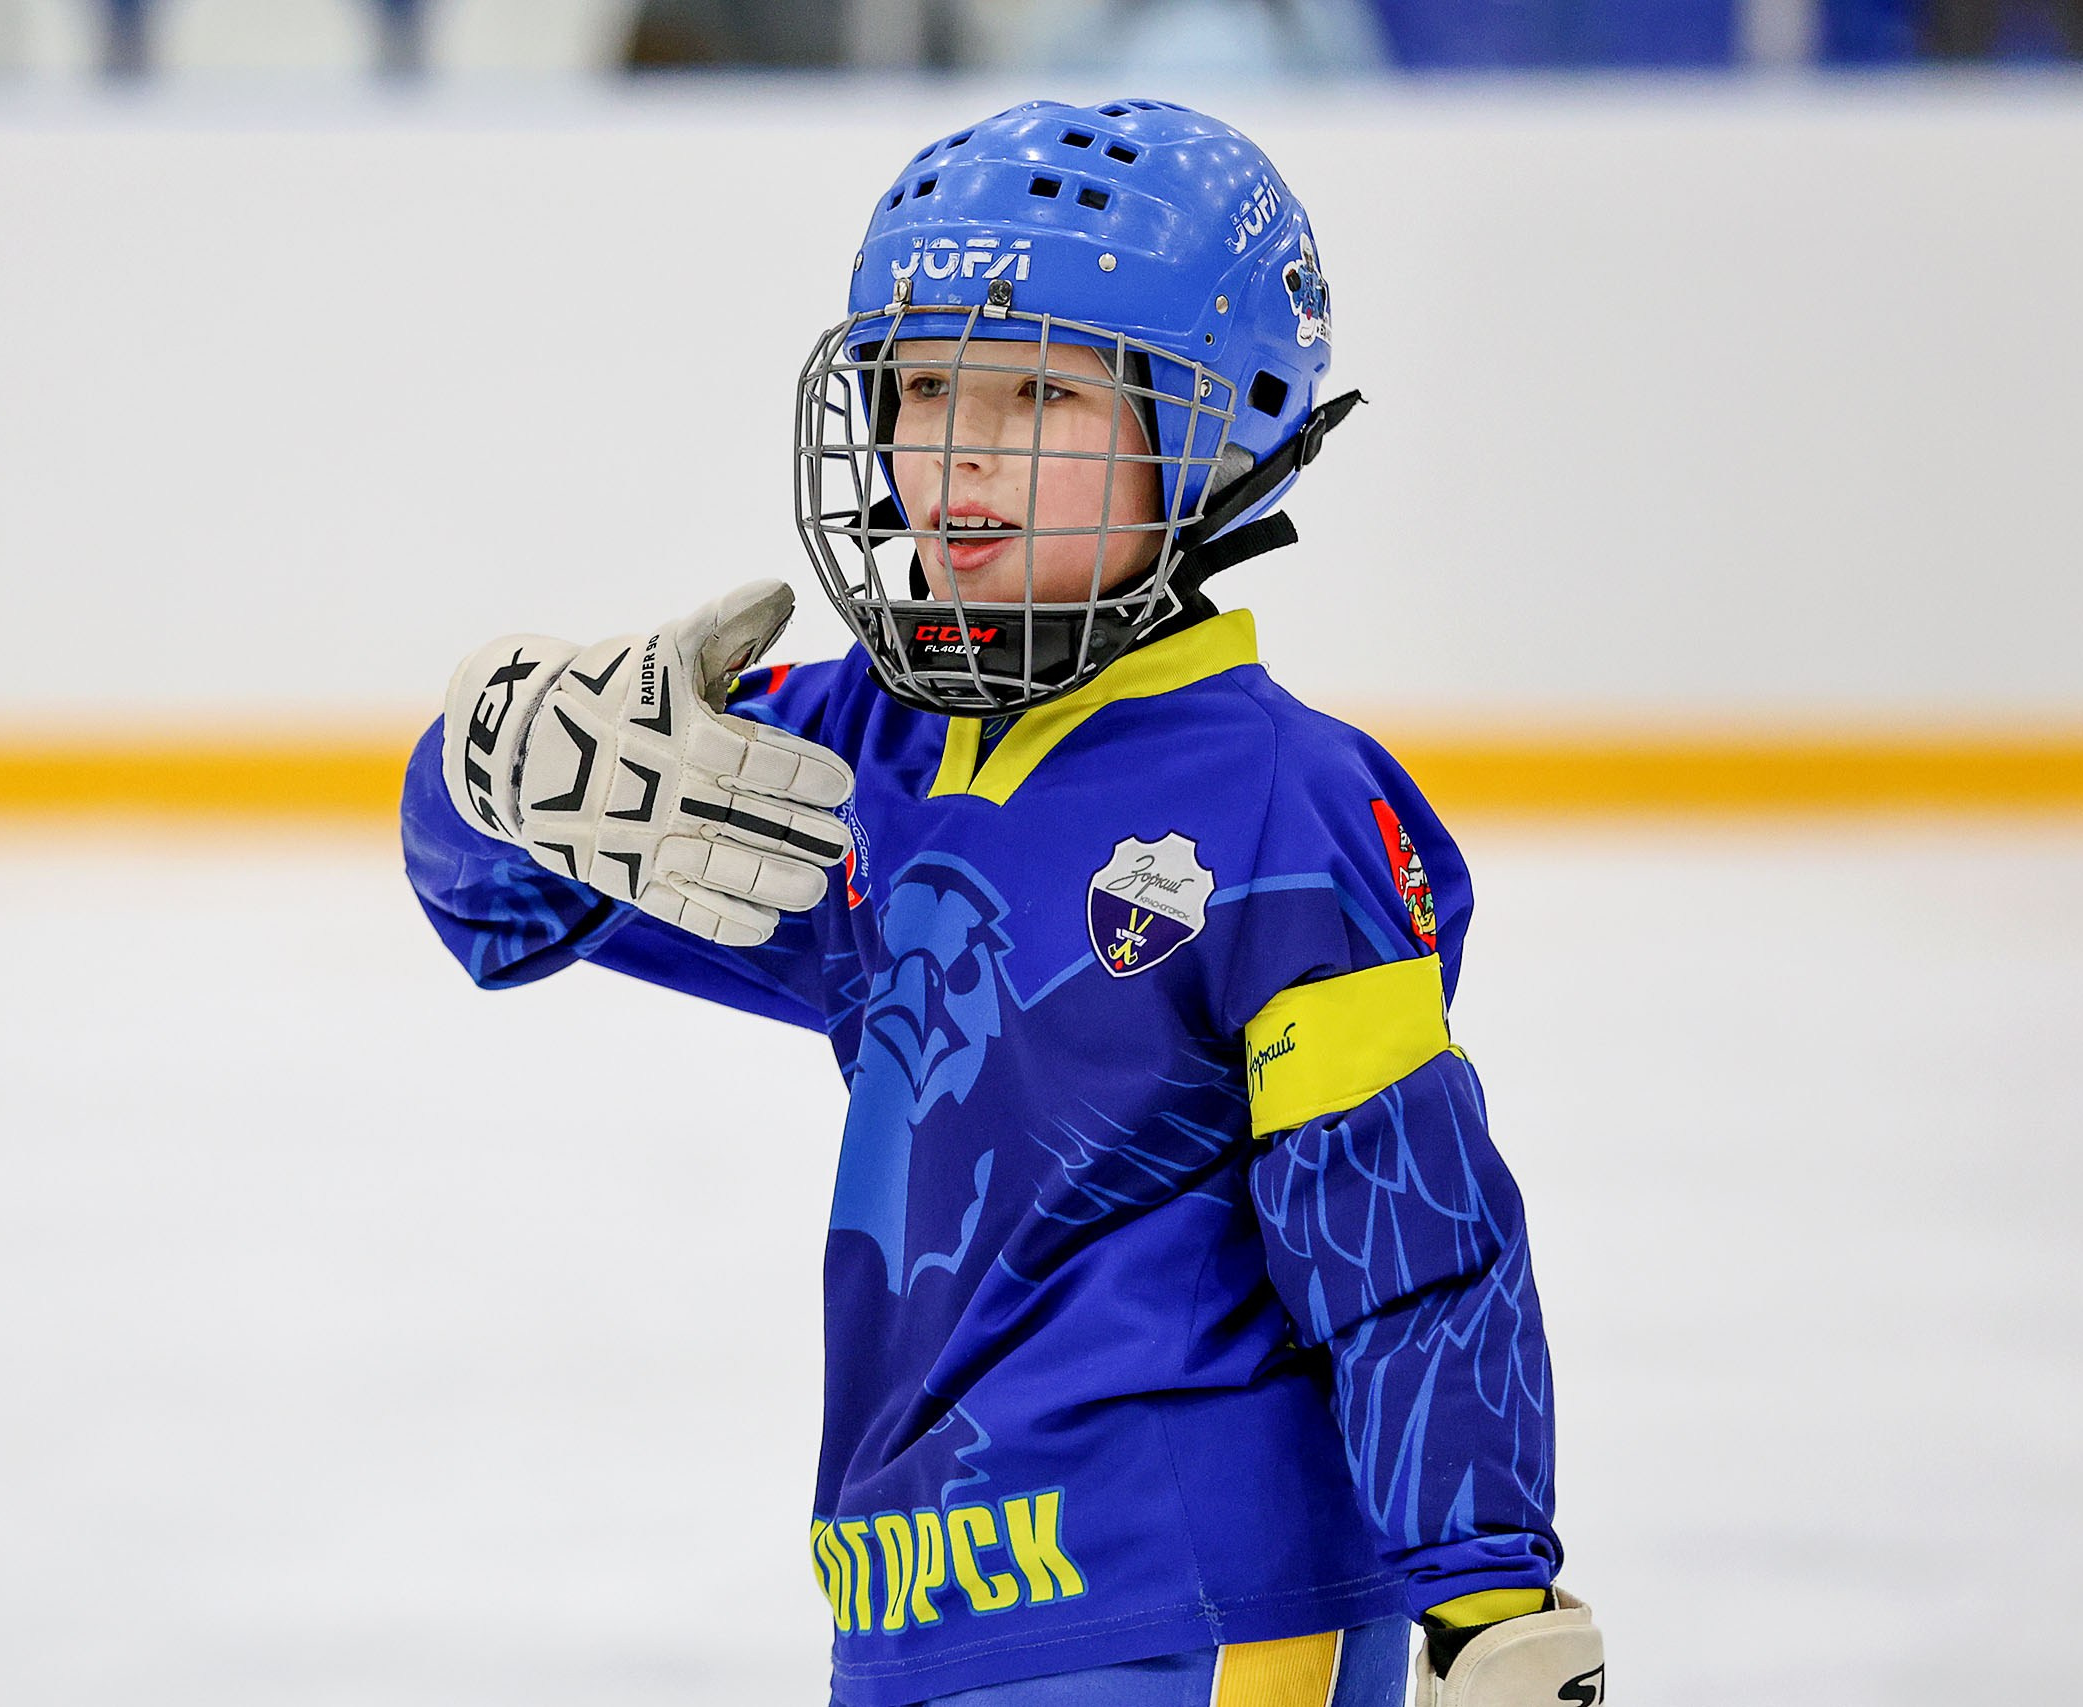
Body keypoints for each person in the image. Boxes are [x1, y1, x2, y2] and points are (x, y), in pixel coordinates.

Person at [403, 98, 1604, 1707]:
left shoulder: (1282, 805)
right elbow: (498, 911)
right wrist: (485, 767)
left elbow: (1401, 1231)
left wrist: (1488, 1591)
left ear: (1217, 425)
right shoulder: (855, 753)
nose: (954, 445)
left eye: (1036, 389)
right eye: (920, 385)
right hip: (918, 1606)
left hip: (1199, 1610)